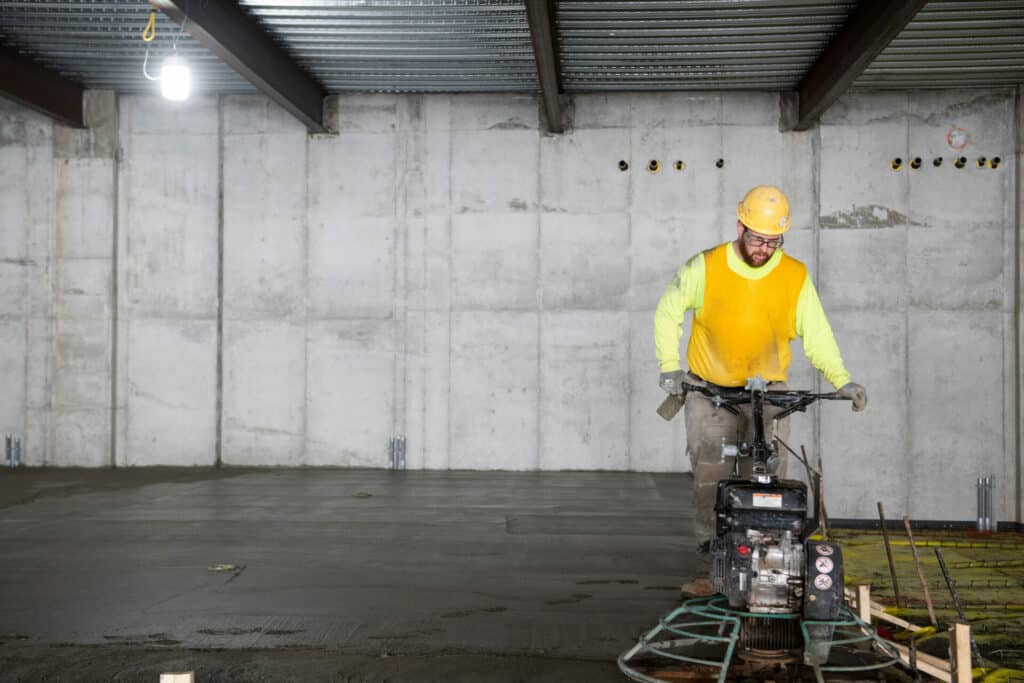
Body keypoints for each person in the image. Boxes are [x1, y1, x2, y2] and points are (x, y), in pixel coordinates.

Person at [653, 185, 866, 555]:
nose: (763, 249)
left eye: (772, 242)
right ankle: (711, 558)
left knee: (767, 478)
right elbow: (668, 311)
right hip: (710, 391)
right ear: (740, 228)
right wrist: (670, 367)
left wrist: (842, 380)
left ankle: (764, 557)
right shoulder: (705, 266)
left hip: (769, 391)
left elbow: (817, 333)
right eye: (756, 239)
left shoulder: (794, 275)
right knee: (711, 476)